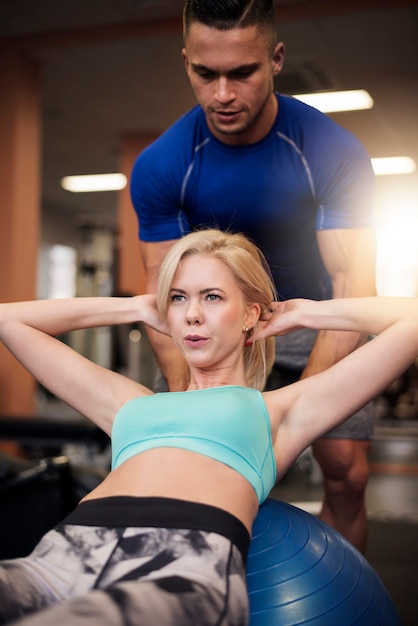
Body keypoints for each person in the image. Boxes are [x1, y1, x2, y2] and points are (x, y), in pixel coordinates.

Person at [0, 228, 417, 626]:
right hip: (67, 548)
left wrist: (307, 313)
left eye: (212, 297)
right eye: (179, 298)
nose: (192, 315)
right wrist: (136, 307)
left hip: (182, 565)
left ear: (252, 314)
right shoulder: (128, 404)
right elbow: (8, 321)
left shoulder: (281, 410)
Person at [129, 0, 377, 552]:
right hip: (217, 316)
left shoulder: (332, 150)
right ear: (186, 61)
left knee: (346, 470)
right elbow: (162, 291)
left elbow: (353, 281)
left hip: (317, 314)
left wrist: (306, 406)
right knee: (192, 464)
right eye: (205, 73)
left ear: (276, 59)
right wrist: (194, 401)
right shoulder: (163, 164)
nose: (222, 94)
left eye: (243, 72)